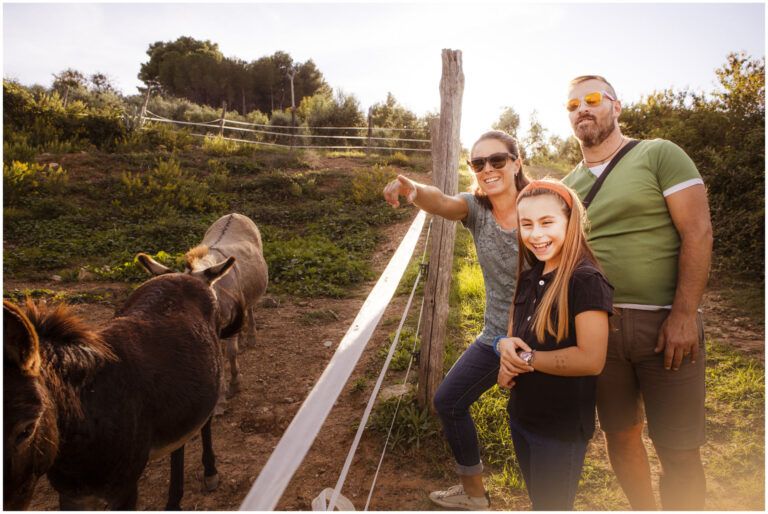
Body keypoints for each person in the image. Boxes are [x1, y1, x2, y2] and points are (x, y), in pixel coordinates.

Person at [561, 75, 713, 510]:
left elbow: (698, 232)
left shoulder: (659, 154)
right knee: (620, 434)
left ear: (616, 106)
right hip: (598, 329)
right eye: (572, 105)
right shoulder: (568, 184)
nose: (582, 109)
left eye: (592, 99)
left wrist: (684, 315)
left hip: (664, 324)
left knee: (678, 447)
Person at [383, 130, 529, 510]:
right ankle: (474, 494)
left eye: (497, 160)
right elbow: (443, 202)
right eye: (477, 163)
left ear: (517, 162)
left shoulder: (540, 205)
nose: (487, 169)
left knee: (530, 425)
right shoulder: (476, 209)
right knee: (448, 401)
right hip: (495, 336)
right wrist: (413, 188)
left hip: (540, 338)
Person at [495, 179, 613, 510]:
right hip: (522, 416)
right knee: (539, 502)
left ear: (569, 221)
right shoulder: (529, 276)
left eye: (547, 222)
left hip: (559, 430)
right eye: (527, 224)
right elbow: (513, 333)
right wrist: (505, 352)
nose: (536, 234)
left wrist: (526, 359)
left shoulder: (585, 280)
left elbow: (591, 359)